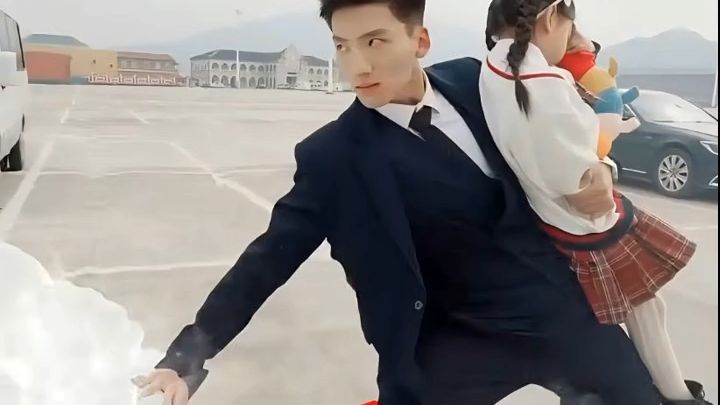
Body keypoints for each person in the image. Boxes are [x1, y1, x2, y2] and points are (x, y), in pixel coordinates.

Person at [134, 1, 660, 404]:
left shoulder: (478, 83)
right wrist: (185, 358)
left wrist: (602, 170)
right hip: (451, 346)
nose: (357, 64)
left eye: (375, 41)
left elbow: (564, 126)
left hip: (557, 310)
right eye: (342, 46)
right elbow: (268, 258)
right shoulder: (335, 157)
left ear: (420, 40)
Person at [480, 1, 712, 405]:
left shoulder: (492, 71)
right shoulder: (547, 85)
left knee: (646, 310)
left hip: (550, 226)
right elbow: (590, 186)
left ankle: (678, 395)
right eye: (571, 28)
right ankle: (682, 399)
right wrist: (605, 154)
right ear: (551, 16)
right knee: (646, 311)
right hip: (586, 228)